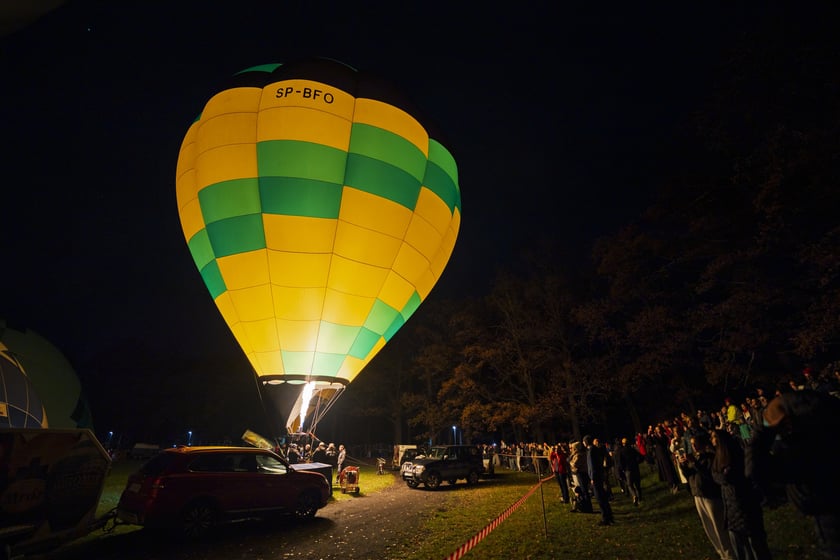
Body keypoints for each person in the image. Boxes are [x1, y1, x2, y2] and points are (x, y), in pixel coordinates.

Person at [751, 390, 840, 559]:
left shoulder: (802, 452)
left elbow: (756, 469)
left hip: (831, 526)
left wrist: (763, 429)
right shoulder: (829, 435)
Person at [710, 429, 772, 560]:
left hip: (743, 504)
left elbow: (728, 477)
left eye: (714, 437)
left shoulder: (735, 455)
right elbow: (716, 475)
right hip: (731, 507)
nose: (712, 439)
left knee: (755, 545)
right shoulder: (719, 456)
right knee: (741, 547)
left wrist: (723, 476)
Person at [679, 432, 736, 560]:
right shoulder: (695, 458)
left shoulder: (710, 458)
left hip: (710, 496)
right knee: (709, 528)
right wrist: (683, 465)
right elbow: (690, 475)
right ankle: (721, 553)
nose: (694, 447)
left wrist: (695, 464)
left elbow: (709, 476)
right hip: (698, 495)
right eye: (692, 444)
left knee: (718, 526)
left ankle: (730, 554)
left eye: (696, 444)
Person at [584, 435, 614, 526]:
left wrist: (592, 477)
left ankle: (605, 518)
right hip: (599, 475)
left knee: (600, 498)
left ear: (585, 442)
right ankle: (609, 515)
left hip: (596, 477)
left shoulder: (591, 451)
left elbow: (592, 465)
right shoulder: (596, 449)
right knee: (603, 496)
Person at [615, 437, 643, 506]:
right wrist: (637, 462)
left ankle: (634, 495)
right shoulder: (632, 450)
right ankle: (639, 499)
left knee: (630, 485)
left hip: (627, 470)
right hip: (635, 468)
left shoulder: (621, 451)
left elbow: (620, 462)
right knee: (637, 485)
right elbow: (640, 457)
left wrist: (622, 469)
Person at [568, 440, 592, 513]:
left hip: (582, 474)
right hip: (579, 473)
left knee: (584, 491)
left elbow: (575, 464)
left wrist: (570, 462)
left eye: (573, 448)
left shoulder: (579, 455)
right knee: (581, 490)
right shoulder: (578, 454)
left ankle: (588, 507)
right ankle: (583, 505)